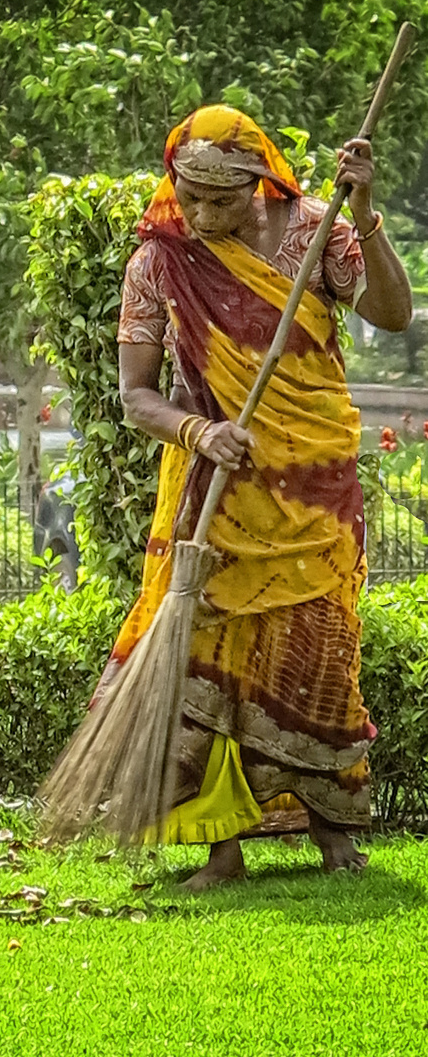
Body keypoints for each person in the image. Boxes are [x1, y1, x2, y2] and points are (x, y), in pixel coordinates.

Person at [110, 104, 411, 890]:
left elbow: (393, 313)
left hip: (314, 486)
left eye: (222, 199)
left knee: (322, 646)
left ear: (261, 182)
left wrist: (368, 214)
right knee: (211, 653)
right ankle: (221, 848)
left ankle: (335, 832)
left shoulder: (319, 228)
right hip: (219, 485)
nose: (202, 215)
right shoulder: (159, 257)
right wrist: (198, 433)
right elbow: (135, 397)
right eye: (190, 196)